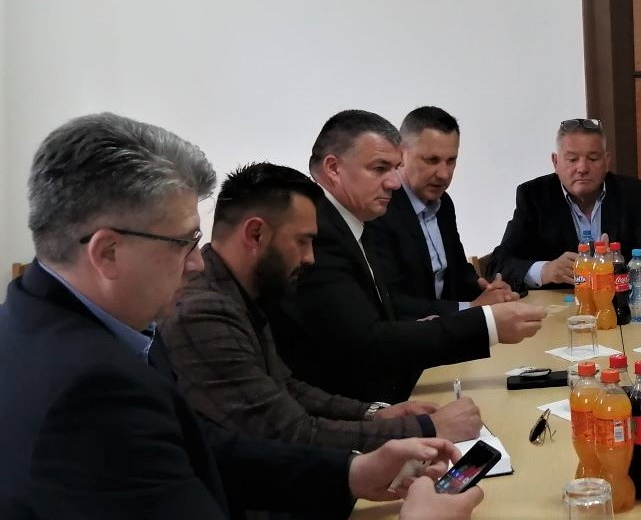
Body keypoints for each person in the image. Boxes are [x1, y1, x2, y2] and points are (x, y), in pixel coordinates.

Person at [0, 112, 482, 520]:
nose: (196, 262)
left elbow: (205, 446)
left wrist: (351, 472)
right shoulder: (93, 391)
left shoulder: (46, 320)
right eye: (183, 242)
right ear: (107, 252)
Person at [159, 162, 483, 456]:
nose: (310, 257)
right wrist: (427, 429)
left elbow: (286, 388)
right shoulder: (203, 313)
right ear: (255, 234)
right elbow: (293, 434)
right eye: (302, 241)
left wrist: (375, 413)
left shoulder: (241, 291)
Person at [263, 110, 546, 404]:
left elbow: (380, 320)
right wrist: (486, 323)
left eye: (394, 168)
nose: (394, 183)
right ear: (333, 168)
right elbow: (367, 342)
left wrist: (470, 301)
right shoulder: (319, 231)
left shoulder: (352, 219)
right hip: (350, 406)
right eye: (380, 168)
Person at [365, 106, 518, 317]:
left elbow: (458, 271)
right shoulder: (378, 209)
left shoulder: (444, 203)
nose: (444, 174)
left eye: (451, 161)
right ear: (401, 154)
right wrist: (472, 307)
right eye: (432, 160)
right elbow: (392, 301)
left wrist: (488, 290)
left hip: (449, 329)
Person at [488, 117, 641, 291]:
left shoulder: (632, 194)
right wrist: (546, 270)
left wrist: (615, 269)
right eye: (572, 159)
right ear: (555, 162)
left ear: (607, 161)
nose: (582, 168)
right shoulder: (533, 196)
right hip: (557, 306)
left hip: (616, 303)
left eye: (593, 158)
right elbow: (498, 265)